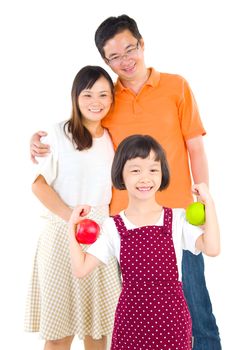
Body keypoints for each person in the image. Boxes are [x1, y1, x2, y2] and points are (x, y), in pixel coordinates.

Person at [29, 14, 221, 349]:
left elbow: (195, 146)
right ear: (105, 61)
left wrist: (201, 199)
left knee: (195, 308)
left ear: (142, 44)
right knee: (129, 317)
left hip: (176, 213)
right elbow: (79, 135)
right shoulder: (107, 101)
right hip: (123, 226)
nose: (124, 61)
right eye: (113, 57)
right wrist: (40, 144)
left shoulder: (176, 86)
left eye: (129, 50)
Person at [68, 134, 220, 350]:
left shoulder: (177, 219)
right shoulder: (113, 226)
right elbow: (80, 268)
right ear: (121, 174)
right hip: (130, 325)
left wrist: (209, 204)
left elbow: (212, 248)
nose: (145, 178)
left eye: (153, 169)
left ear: (162, 174)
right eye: (135, 170)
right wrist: (71, 226)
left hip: (172, 324)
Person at [24, 65, 122, 350]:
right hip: (61, 234)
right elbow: (38, 185)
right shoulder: (58, 134)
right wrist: (72, 219)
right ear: (75, 97)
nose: (96, 102)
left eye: (104, 95)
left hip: (101, 234)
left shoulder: (113, 139)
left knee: (99, 330)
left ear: (112, 100)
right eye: (88, 94)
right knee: (58, 332)